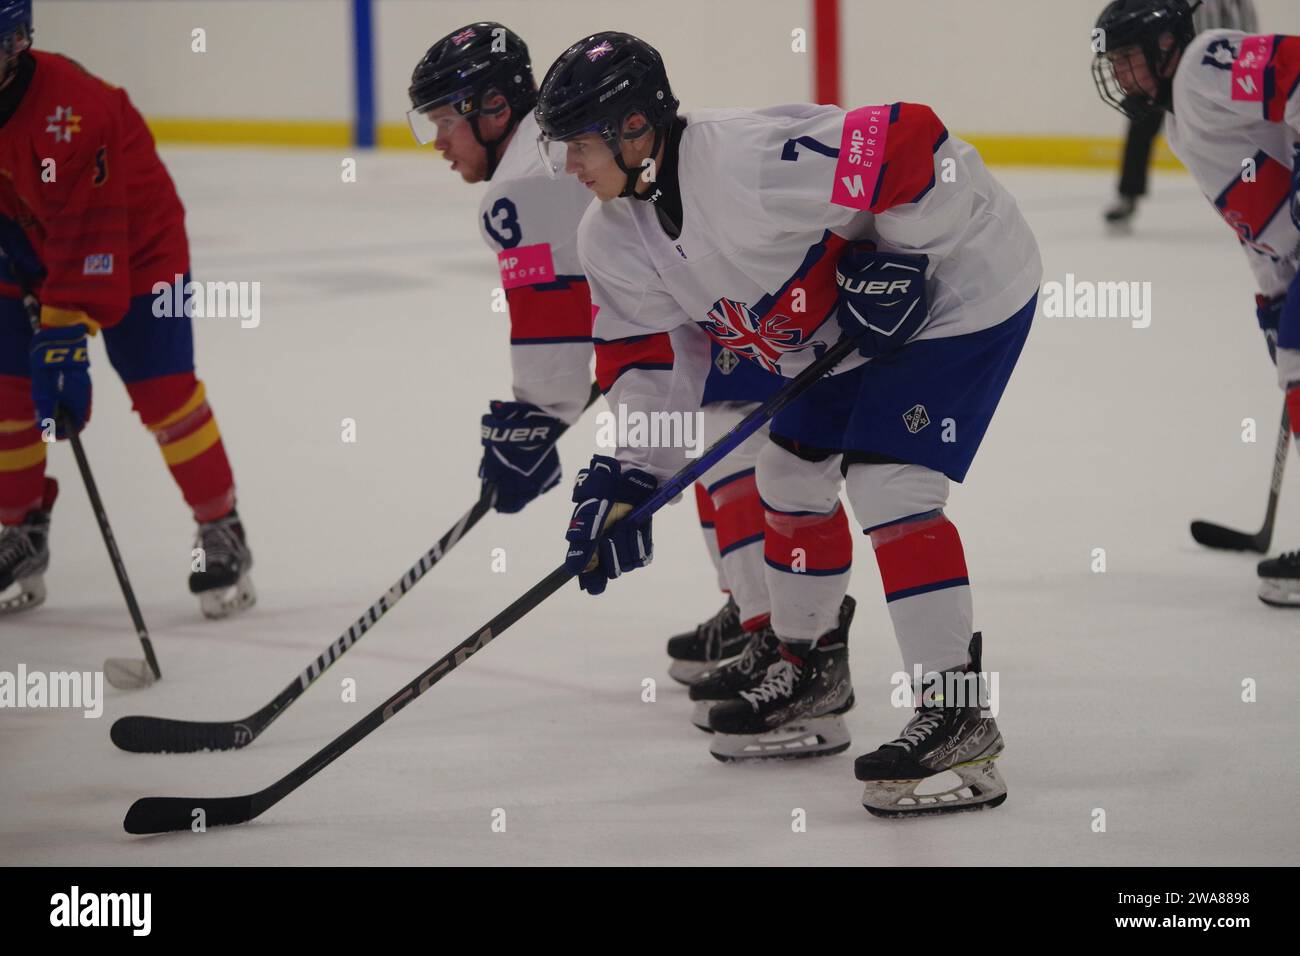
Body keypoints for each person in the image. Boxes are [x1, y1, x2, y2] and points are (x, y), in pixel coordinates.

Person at [538, 32, 1042, 815]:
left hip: (960, 284)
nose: (568, 164)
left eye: (579, 142)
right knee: (789, 472)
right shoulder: (611, 234)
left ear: (637, 128)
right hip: (836, 330)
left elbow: (913, 138)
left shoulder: (744, 160)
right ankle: (810, 667)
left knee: (891, 482)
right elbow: (653, 368)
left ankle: (958, 712)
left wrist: (906, 256)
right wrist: (631, 476)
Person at [407, 22, 790, 679]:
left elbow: (551, 324)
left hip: (707, 318)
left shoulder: (521, 188)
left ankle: (779, 636)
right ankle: (753, 611)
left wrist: (537, 415)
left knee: (726, 458)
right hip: (695, 313)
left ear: (495, 110)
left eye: (443, 121)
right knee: (701, 448)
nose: (437, 142)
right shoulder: (547, 154)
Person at [0, 0, 253, 618]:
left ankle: (222, 527)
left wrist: (62, 334)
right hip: (26, 243)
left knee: (163, 390)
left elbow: (89, 235)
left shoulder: (74, 110)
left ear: (15, 41)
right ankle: (21, 530)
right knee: (7, 391)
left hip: (138, 247)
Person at [1094, 0, 1299, 606]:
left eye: (1130, 60)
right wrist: (1273, 295)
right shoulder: (1181, 117)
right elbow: (1257, 219)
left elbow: (1293, 66)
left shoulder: (1203, 63)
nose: (1123, 77)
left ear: (1164, 47)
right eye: (1116, 65)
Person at [1102, 0, 1259, 231]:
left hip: (1221, 74)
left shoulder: (1234, 5)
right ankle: (1128, 195)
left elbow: (1248, 34)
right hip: (1169, 68)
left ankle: (1255, 191)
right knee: (1141, 125)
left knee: (1245, 136)